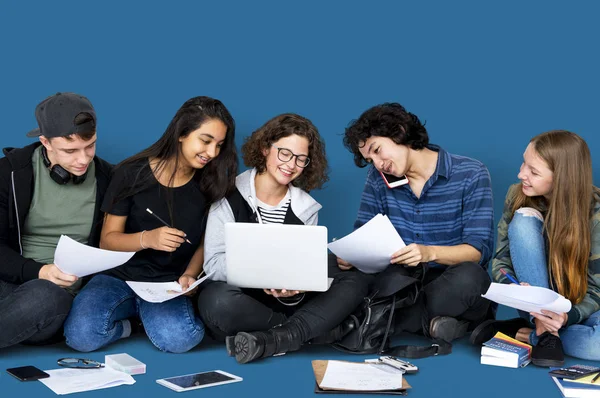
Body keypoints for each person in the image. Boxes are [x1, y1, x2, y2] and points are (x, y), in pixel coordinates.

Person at [63, 96, 238, 353]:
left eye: (219, 145)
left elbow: (205, 242)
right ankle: (130, 326)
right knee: (81, 337)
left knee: (181, 339)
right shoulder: (131, 172)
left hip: (166, 284)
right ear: (181, 133)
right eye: (205, 140)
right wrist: (148, 239)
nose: (211, 153)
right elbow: (108, 239)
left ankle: (146, 318)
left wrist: (190, 274)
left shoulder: (211, 184)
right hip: (118, 277)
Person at [197, 113, 371, 364]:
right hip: (244, 301)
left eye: (301, 159)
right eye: (285, 153)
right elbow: (212, 265)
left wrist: (295, 290)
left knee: (355, 278)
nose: (291, 165)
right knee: (216, 301)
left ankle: (278, 337)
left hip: (286, 303)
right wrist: (262, 271)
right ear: (265, 148)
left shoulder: (306, 208)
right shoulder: (227, 195)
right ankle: (314, 332)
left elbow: (302, 272)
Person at [340, 102, 494, 343]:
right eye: (370, 160)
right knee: (334, 267)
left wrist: (428, 253)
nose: (378, 163)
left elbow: (477, 251)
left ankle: (373, 321)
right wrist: (351, 255)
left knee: (471, 277)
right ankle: (436, 325)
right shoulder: (378, 178)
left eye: (377, 150)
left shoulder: (471, 173)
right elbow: (363, 234)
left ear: (399, 131)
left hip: (451, 281)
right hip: (400, 283)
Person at [471, 130, 600, 365]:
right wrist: (515, 290)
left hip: (581, 307)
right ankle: (544, 330)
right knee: (523, 219)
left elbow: (597, 289)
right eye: (524, 163)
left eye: (534, 171)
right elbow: (501, 260)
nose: (521, 174)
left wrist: (566, 316)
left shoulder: (596, 215)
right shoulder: (517, 195)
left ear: (562, 178)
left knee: (597, 344)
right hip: (535, 300)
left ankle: (531, 335)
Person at [0, 92, 112, 349]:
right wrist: (39, 270)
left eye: (90, 146)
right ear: (45, 142)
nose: (83, 159)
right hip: (10, 281)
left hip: (52, 297)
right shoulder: (9, 173)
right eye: (70, 150)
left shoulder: (109, 179)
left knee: (44, 295)